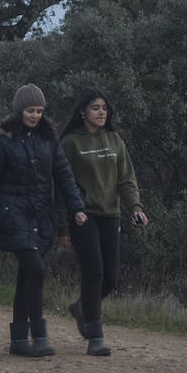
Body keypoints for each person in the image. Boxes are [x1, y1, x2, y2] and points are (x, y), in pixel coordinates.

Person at [0, 84, 87, 356]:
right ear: (19, 111)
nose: (35, 115)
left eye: (39, 111)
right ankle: (39, 334)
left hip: (41, 217)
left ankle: (17, 340)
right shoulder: (3, 142)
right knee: (35, 270)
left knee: (27, 275)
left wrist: (77, 208)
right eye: (30, 110)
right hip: (12, 217)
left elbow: (64, 177)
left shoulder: (50, 140)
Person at [59, 88, 147, 357]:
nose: (100, 112)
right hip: (83, 216)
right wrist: (64, 226)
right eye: (95, 107)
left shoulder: (114, 140)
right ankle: (95, 335)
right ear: (82, 112)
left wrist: (136, 208)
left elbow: (126, 179)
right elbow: (62, 186)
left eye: (104, 108)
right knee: (94, 271)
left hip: (111, 214)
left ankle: (82, 308)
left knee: (111, 277)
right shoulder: (71, 142)